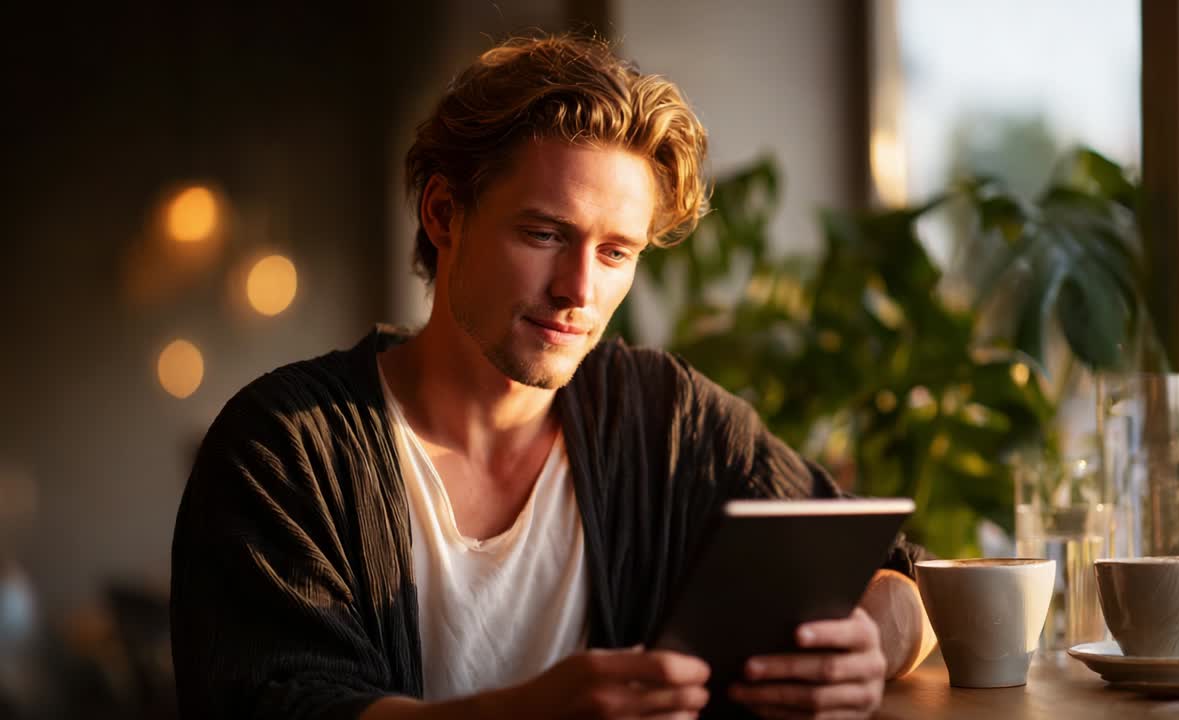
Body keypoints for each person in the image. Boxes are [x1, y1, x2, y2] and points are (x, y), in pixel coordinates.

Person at [170, 34, 936, 720]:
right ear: (443, 215)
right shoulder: (283, 449)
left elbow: (898, 576)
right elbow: (281, 703)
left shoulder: (664, 419)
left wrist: (871, 636)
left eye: (616, 253)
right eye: (544, 234)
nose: (579, 289)